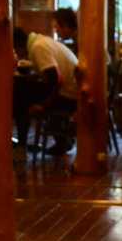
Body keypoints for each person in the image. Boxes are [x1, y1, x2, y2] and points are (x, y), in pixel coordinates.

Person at [13, 25, 79, 153]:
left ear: (19, 45)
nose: (17, 53)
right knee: (24, 93)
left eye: (15, 49)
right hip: (73, 89)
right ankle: (62, 140)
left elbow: (56, 79)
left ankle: (21, 146)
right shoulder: (41, 41)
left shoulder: (38, 47)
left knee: (21, 99)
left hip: (71, 95)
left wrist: (44, 105)